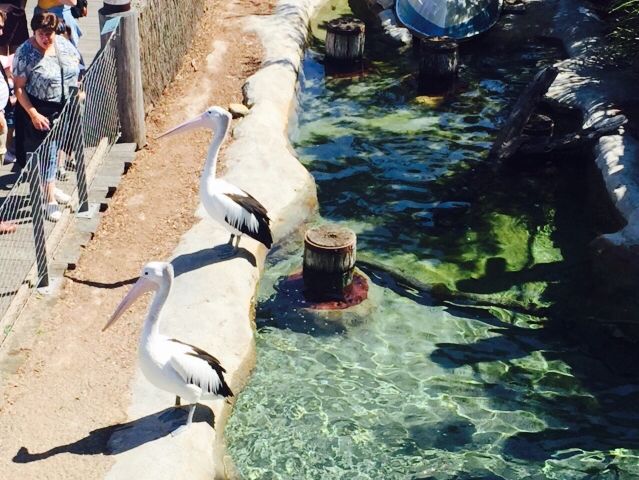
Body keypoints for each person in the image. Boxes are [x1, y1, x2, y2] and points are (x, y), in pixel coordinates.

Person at [13, 12, 81, 221]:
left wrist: (78, 88)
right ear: (35, 31)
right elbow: (19, 88)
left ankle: (50, 186)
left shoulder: (62, 44)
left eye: (50, 33)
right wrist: (33, 113)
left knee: (58, 146)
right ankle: (48, 199)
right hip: (38, 108)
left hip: (63, 105)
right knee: (46, 154)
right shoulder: (25, 52)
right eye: (42, 34)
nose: (46, 38)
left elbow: (75, 66)